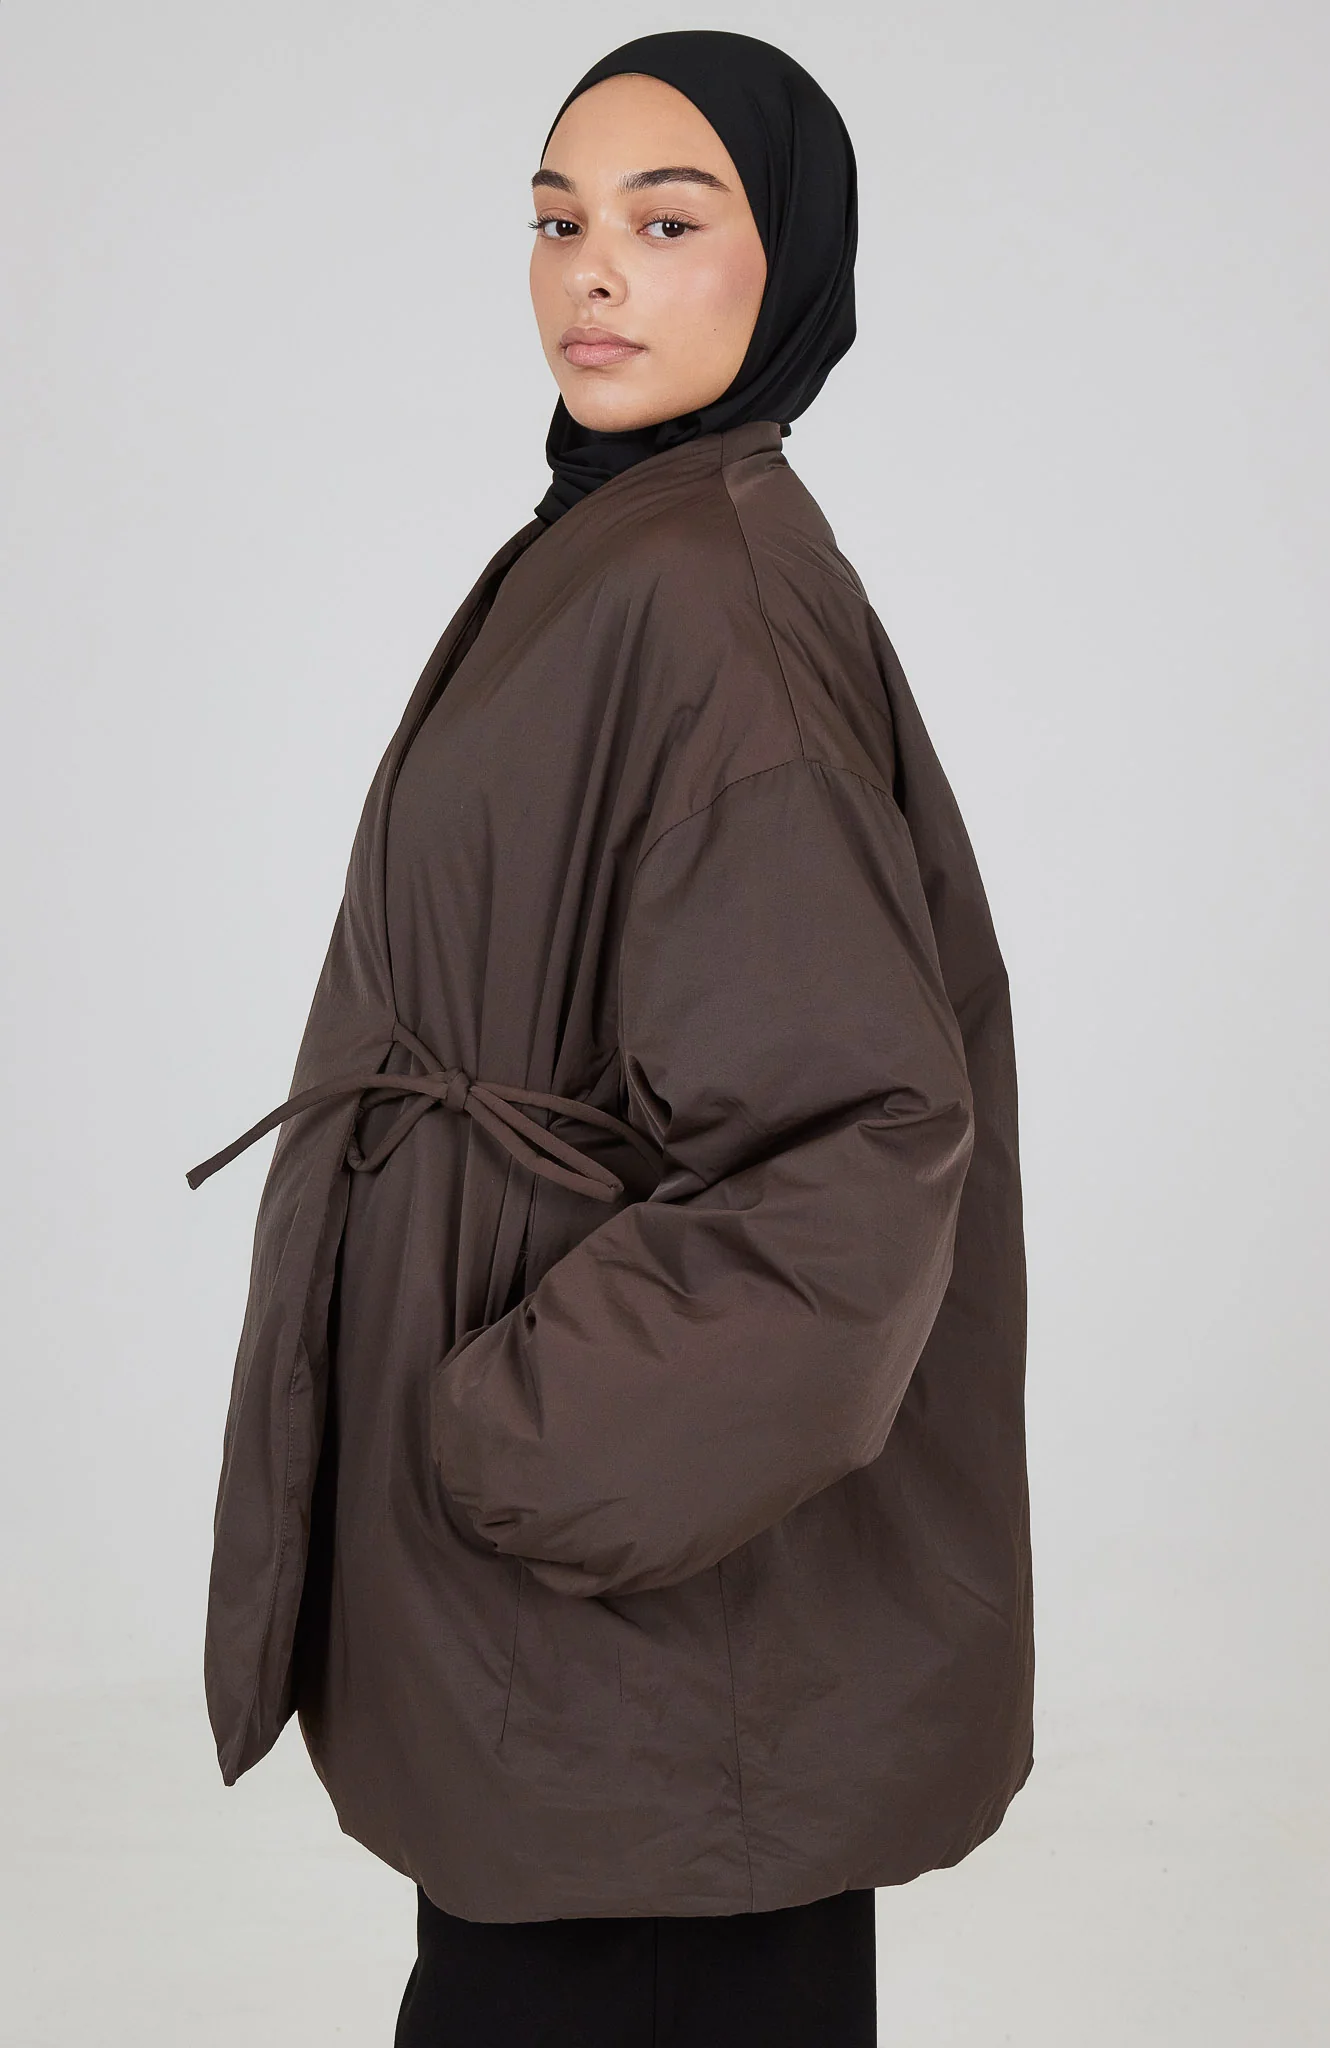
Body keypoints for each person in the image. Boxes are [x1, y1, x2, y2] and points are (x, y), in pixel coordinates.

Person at [186, 30, 1034, 2048]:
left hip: (646, 1602)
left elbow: (852, 1147)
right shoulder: (628, 538)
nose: (592, 273)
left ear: (786, 258)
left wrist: (530, 1438)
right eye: (558, 221)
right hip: (608, 1619)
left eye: (667, 223)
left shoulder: (711, 593)